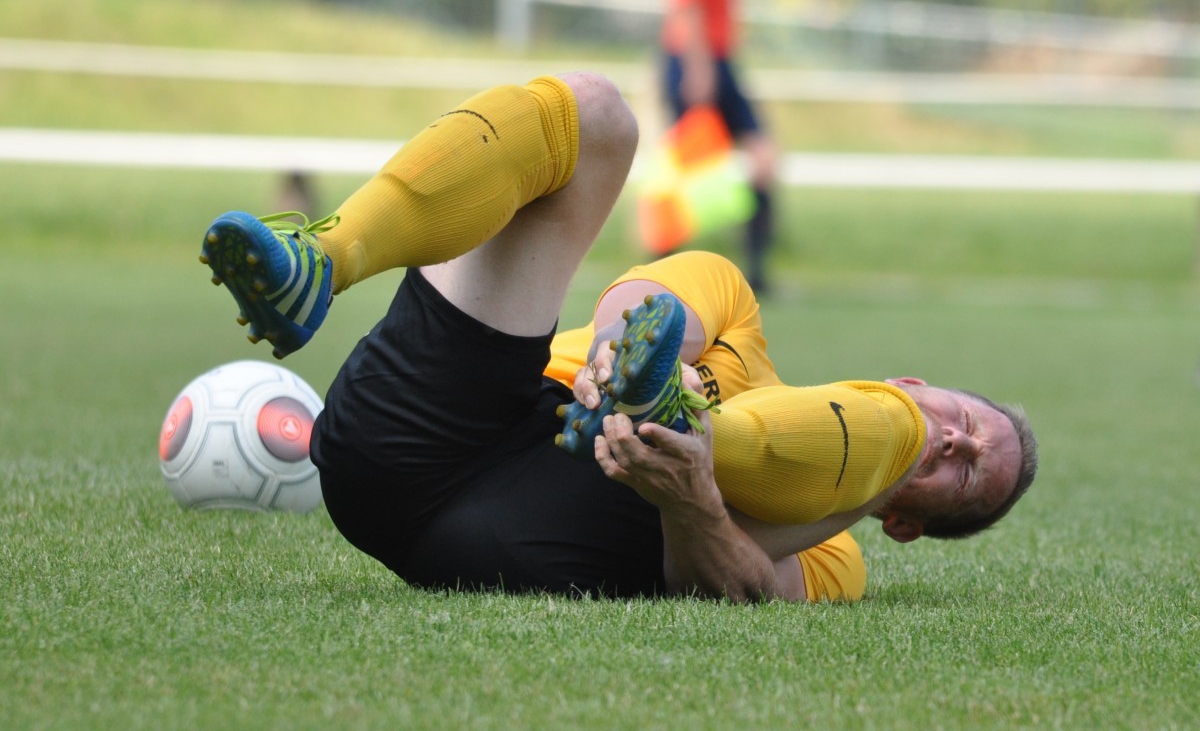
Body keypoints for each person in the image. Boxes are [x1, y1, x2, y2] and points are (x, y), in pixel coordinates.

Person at [199, 71, 1038, 603]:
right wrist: (619, 361)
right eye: (962, 418)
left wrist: (693, 496)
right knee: (599, 114)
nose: (955, 439)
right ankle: (325, 257)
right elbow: (647, 299)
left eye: (965, 471)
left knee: (880, 435)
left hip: (540, 533)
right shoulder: (740, 325)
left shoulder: (836, 556)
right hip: (412, 436)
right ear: (918, 376)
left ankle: (672, 425)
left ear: (906, 525)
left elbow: (751, 589)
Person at [661, 0, 776, 292]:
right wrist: (698, 67)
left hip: (718, 59)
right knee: (681, 168)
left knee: (763, 160)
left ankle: (757, 274)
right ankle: (660, 267)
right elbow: (688, 4)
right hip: (696, 59)